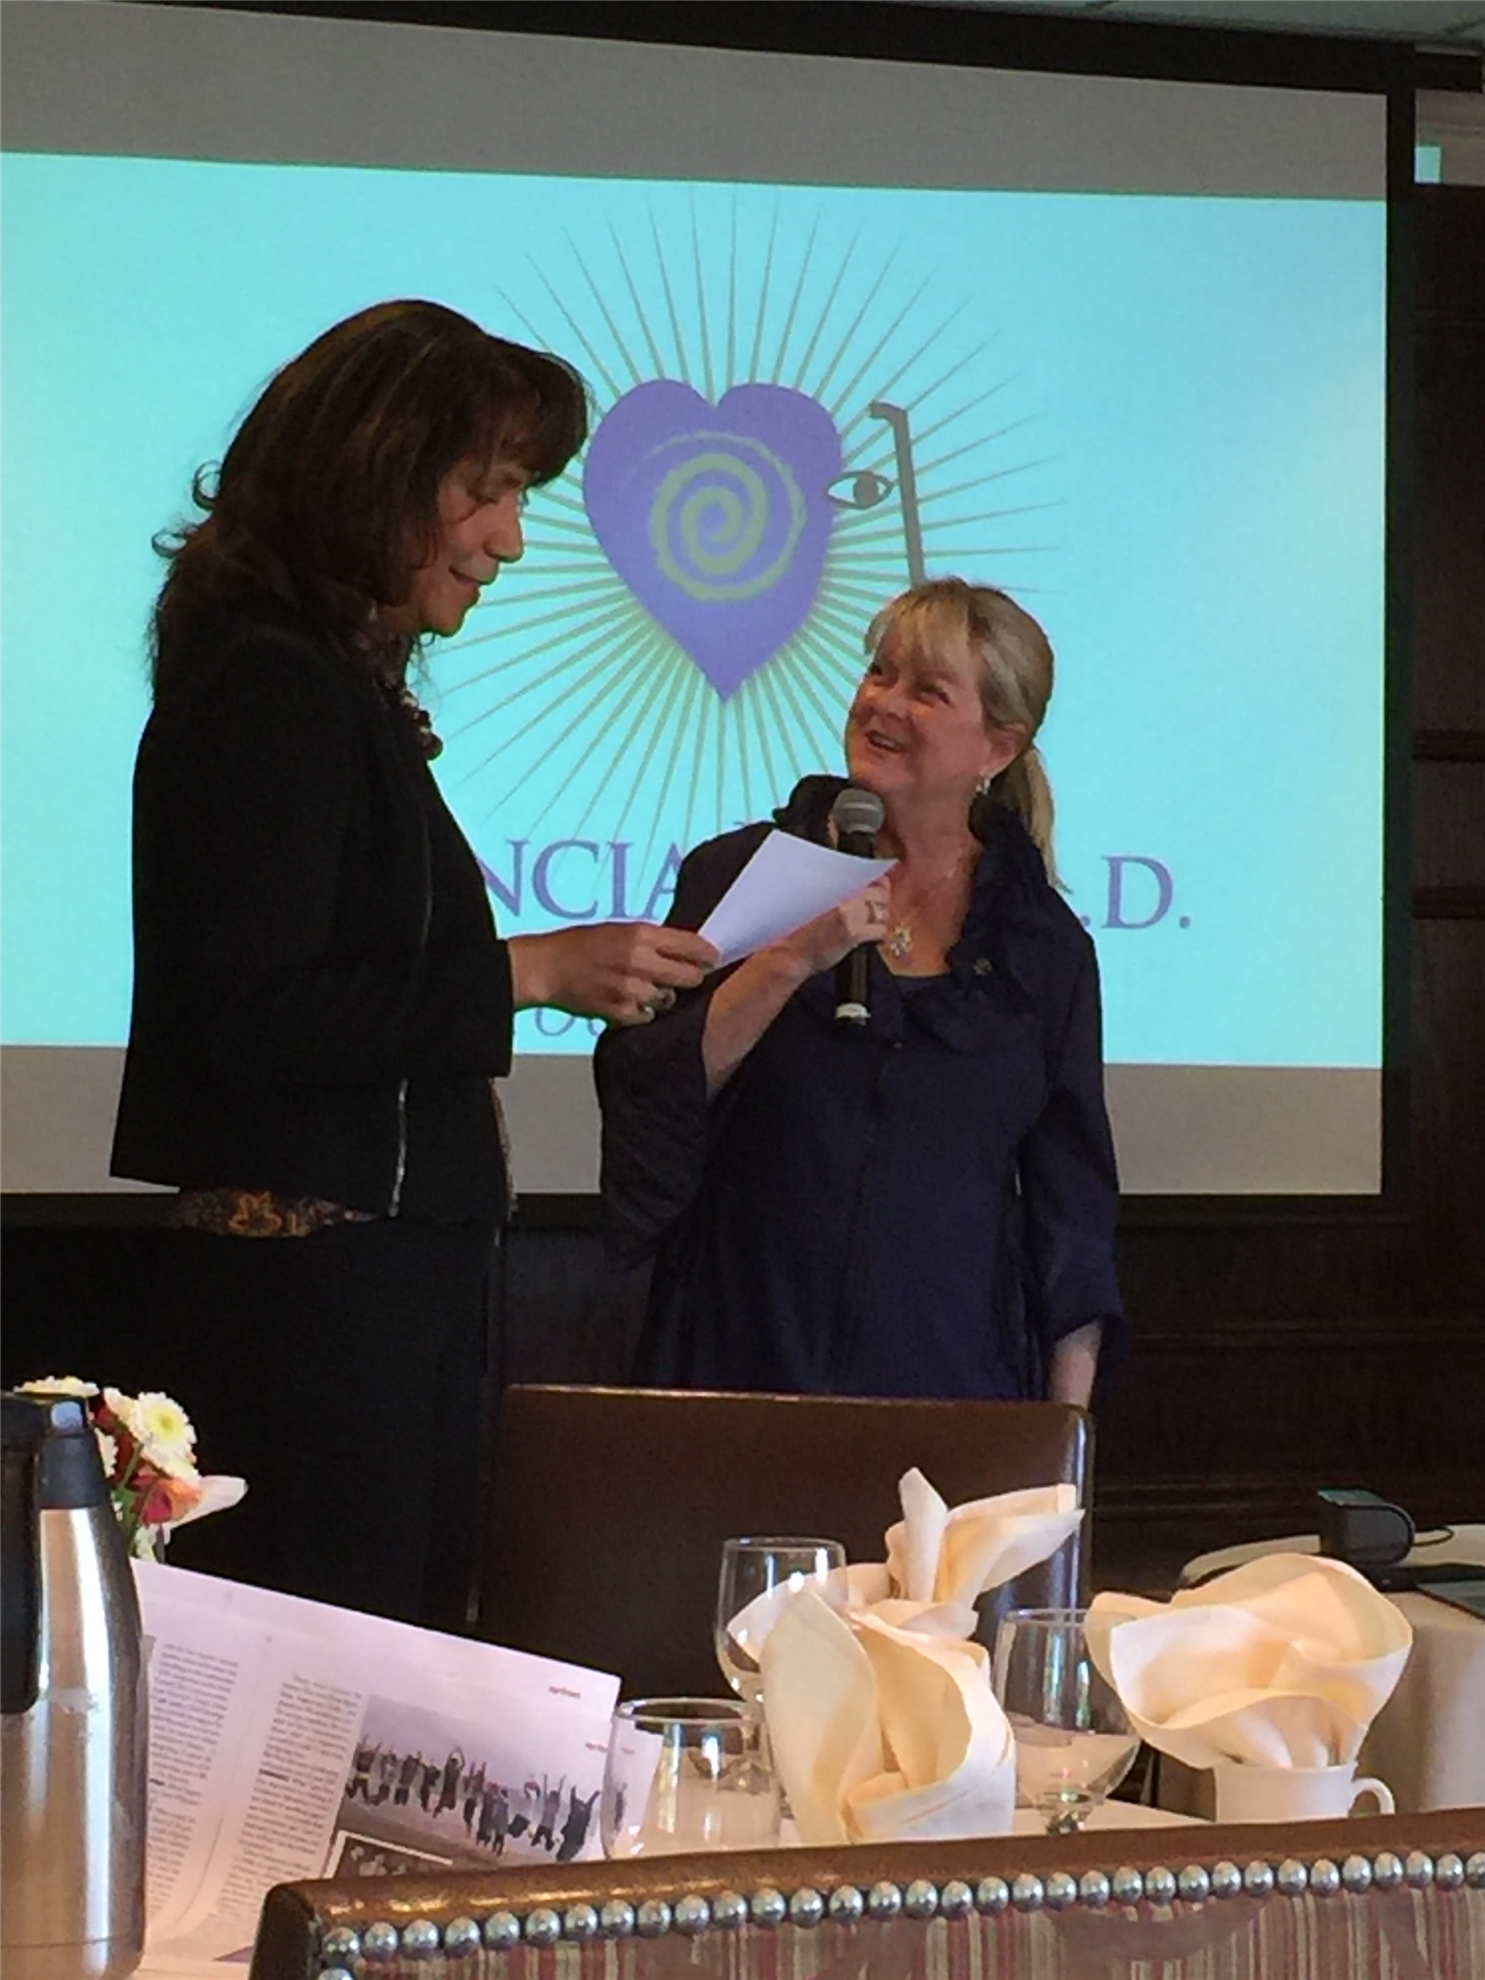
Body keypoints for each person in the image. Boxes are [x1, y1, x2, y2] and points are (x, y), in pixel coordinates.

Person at [111, 299, 713, 1627]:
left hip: (368, 1292)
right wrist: (528, 972)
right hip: (319, 1313)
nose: (510, 538)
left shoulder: (318, 684)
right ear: (374, 474)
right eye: (484, 490)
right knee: (336, 1686)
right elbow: (262, 1014)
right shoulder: (270, 686)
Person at [596, 577, 1124, 1405]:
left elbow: (1072, 1217)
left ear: (996, 749)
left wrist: (1064, 1443)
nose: (883, 703)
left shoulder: (1040, 947)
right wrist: (791, 957)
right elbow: (653, 1095)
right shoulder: (738, 876)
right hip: (742, 1358)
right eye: (879, 672)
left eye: (927, 690)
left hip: (946, 1380)